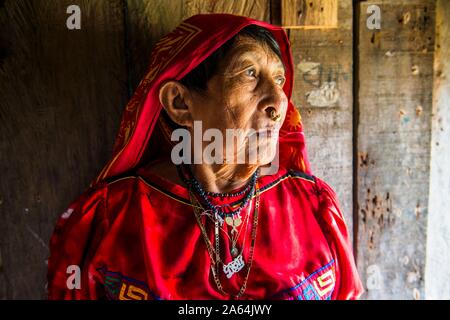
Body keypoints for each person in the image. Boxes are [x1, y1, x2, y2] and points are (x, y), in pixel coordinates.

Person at [47, 13, 363, 300]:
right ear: (180, 103)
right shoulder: (110, 218)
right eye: (250, 73)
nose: (278, 101)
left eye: (279, 80)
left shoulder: (313, 205)